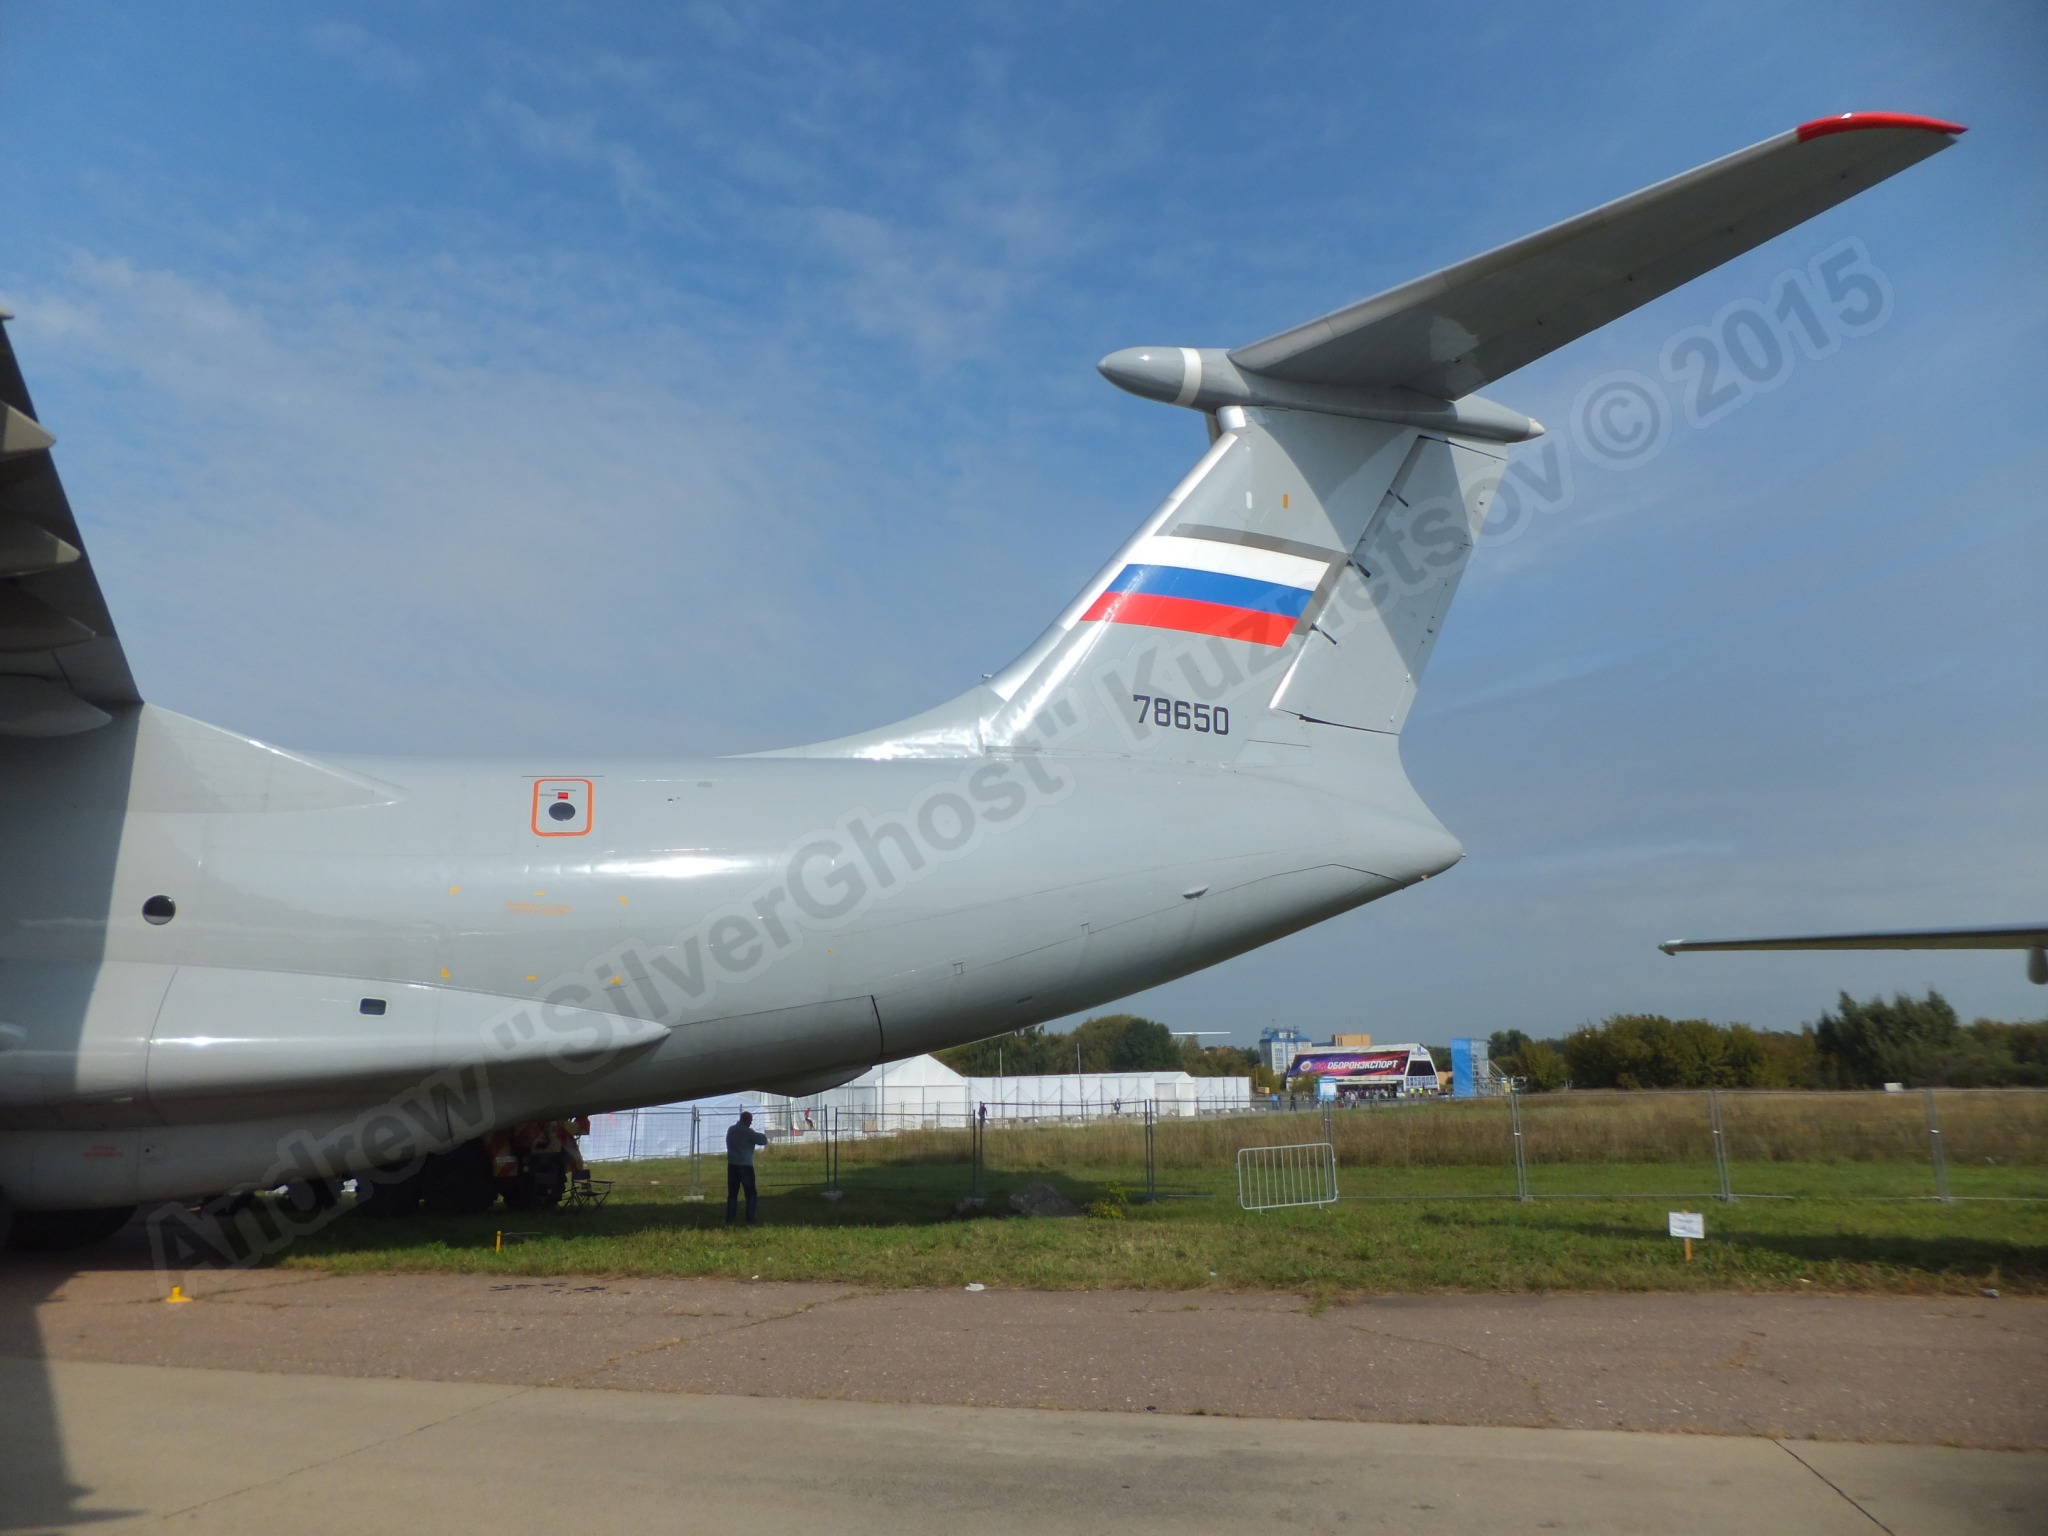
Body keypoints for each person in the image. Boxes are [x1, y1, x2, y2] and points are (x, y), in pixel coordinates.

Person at [725, 1110, 768, 1225]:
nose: (751, 1122)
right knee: (750, 1193)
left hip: (732, 1164)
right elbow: (763, 1141)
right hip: (745, 1165)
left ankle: (730, 1218)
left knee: (732, 1194)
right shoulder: (748, 1132)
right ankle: (750, 1217)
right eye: (750, 1120)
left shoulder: (731, 1129)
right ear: (746, 1120)